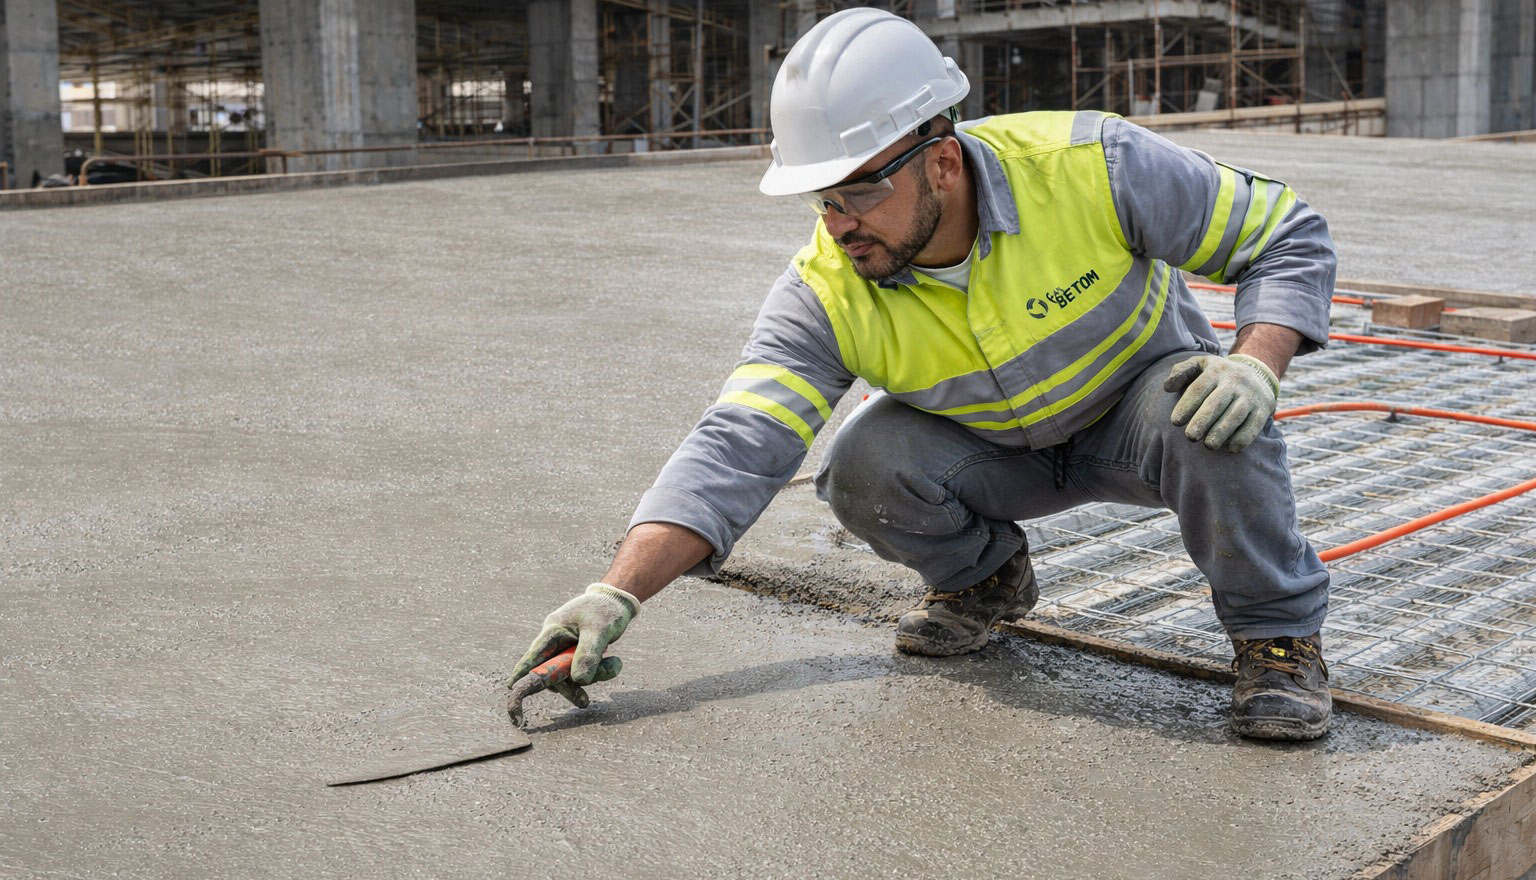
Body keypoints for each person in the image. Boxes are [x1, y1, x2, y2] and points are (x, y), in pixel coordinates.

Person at [510, 8, 1337, 741]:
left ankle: (1277, 641)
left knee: (1217, 412)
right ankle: (986, 580)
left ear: (942, 162)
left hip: (1139, 421)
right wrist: (614, 595)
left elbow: (1286, 234)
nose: (839, 225)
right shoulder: (825, 292)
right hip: (995, 457)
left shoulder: (1093, 166)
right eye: (820, 201)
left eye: (858, 193)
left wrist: (1258, 363)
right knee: (862, 464)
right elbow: (736, 445)